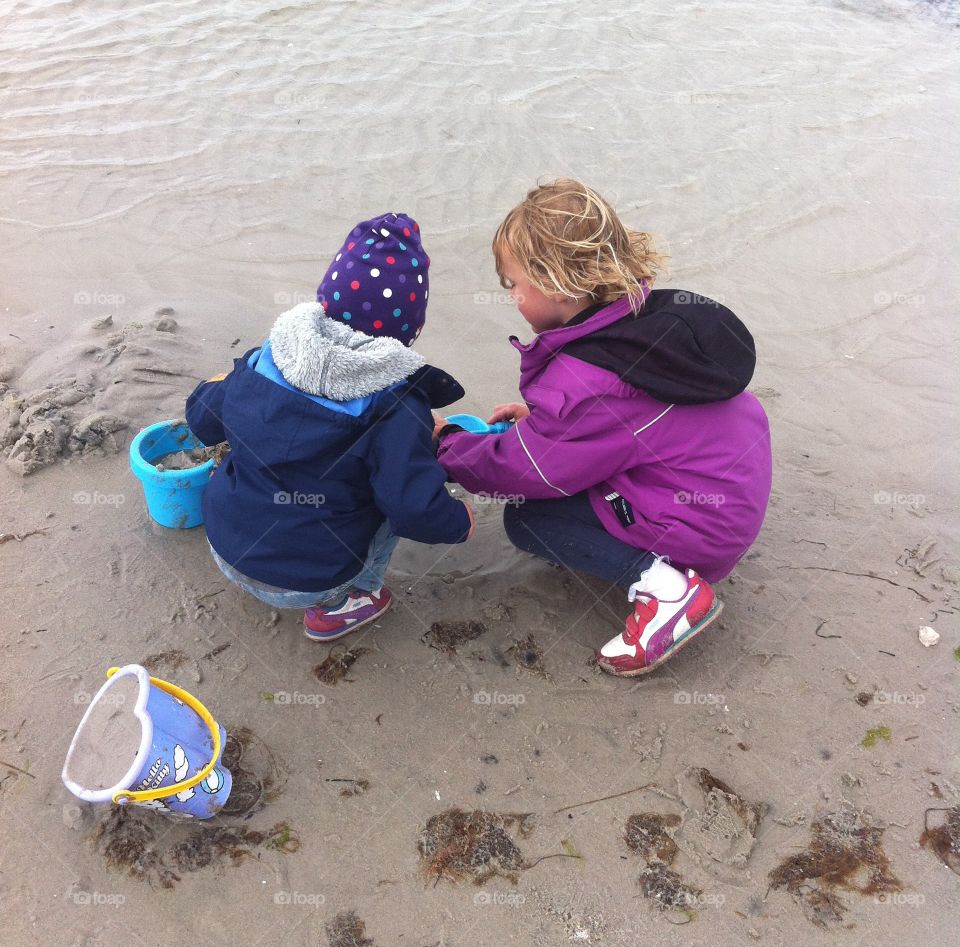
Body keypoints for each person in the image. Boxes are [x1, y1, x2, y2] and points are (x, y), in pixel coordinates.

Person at [435, 180, 771, 677]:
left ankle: (668, 593)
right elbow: (631, 427)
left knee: (529, 519)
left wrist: (448, 445)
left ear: (554, 282)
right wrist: (547, 424)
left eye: (513, 285)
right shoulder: (646, 321)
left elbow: (532, 472)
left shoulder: (589, 380)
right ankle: (659, 563)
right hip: (726, 497)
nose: (511, 297)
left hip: (699, 529)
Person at [185, 212, 474, 641]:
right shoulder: (398, 406)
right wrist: (458, 521)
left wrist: (230, 378)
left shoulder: (264, 361)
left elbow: (202, 421)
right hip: (311, 582)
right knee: (389, 498)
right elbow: (412, 508)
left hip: (226, 548)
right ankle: (340, 606)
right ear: (414, 329)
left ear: (324, 302)